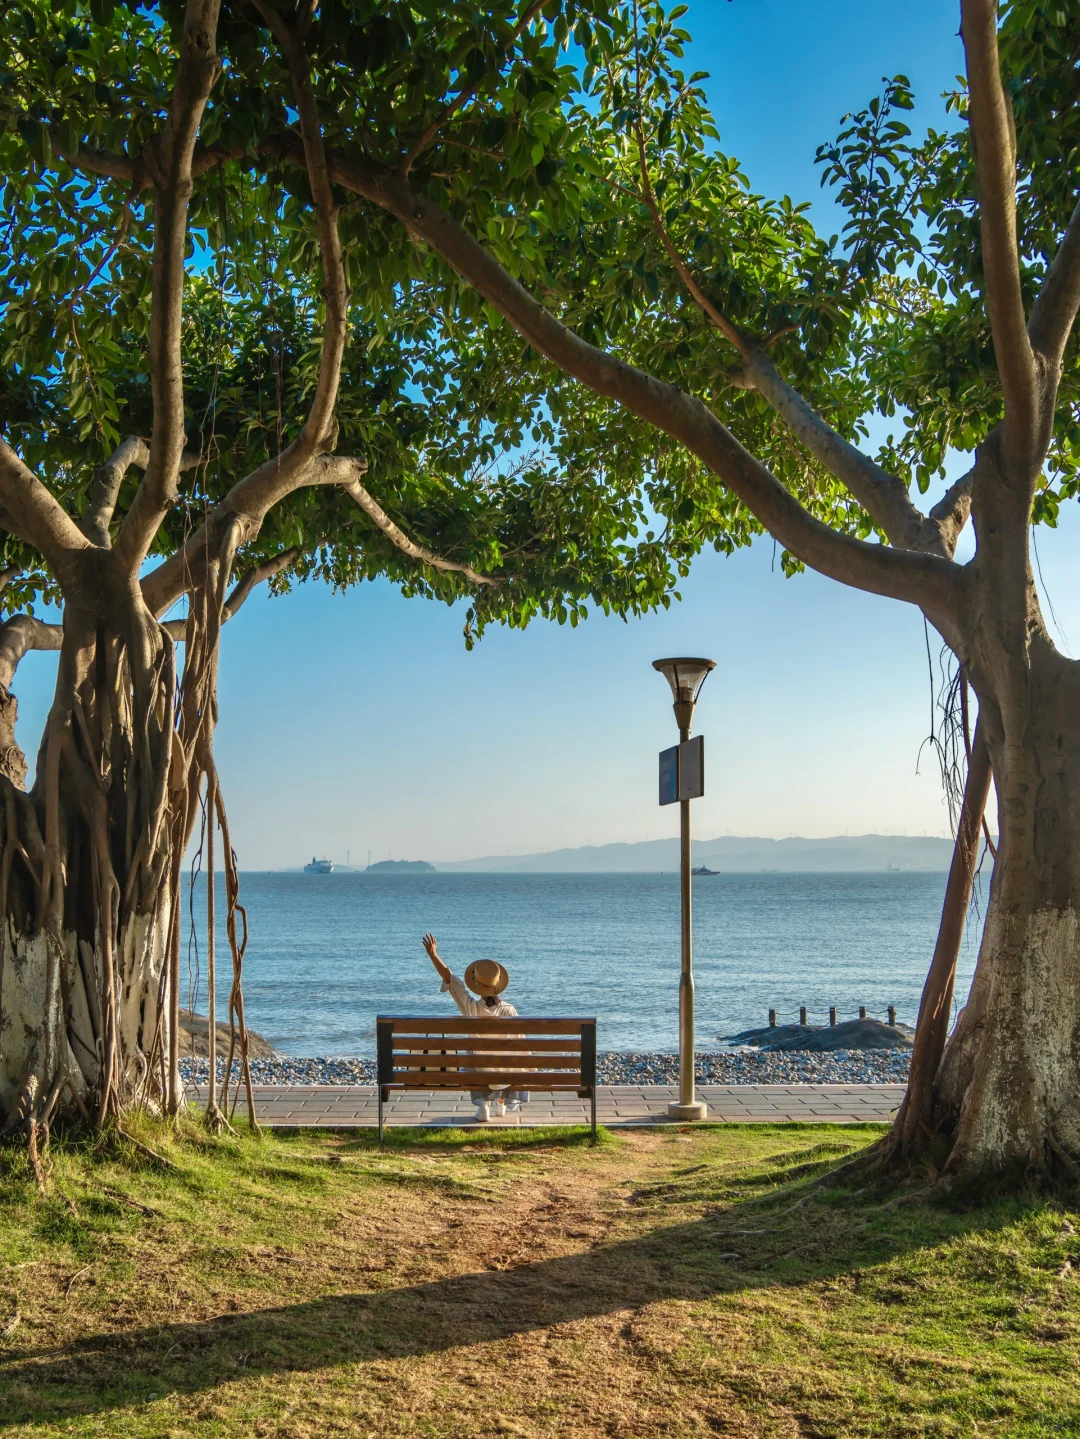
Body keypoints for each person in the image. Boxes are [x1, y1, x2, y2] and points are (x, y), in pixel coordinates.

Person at [422, 932, 529, 1122]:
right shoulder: (510, 1011)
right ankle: (501, 1103)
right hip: (506, 1074)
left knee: (474, 1054)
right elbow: (521, 1046)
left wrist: (433, 954)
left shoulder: (470, 1008)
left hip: (481, 1071)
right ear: (498, 985)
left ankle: (483, 1108)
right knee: (512, 1056)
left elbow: (450, 979)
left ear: (476, 984)